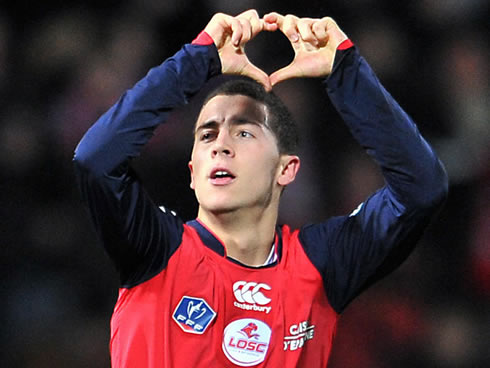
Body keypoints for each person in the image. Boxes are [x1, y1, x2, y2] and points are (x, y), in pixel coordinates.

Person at [74, 9, 448, 368]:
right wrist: (195, 61)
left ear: (286, 168)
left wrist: (345, 72)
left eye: (244, 131)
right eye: (207, 134)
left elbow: (421, 188)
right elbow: (96, 161)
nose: (220, 144)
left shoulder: (320, 264)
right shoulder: (156, 248)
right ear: (192, 172)